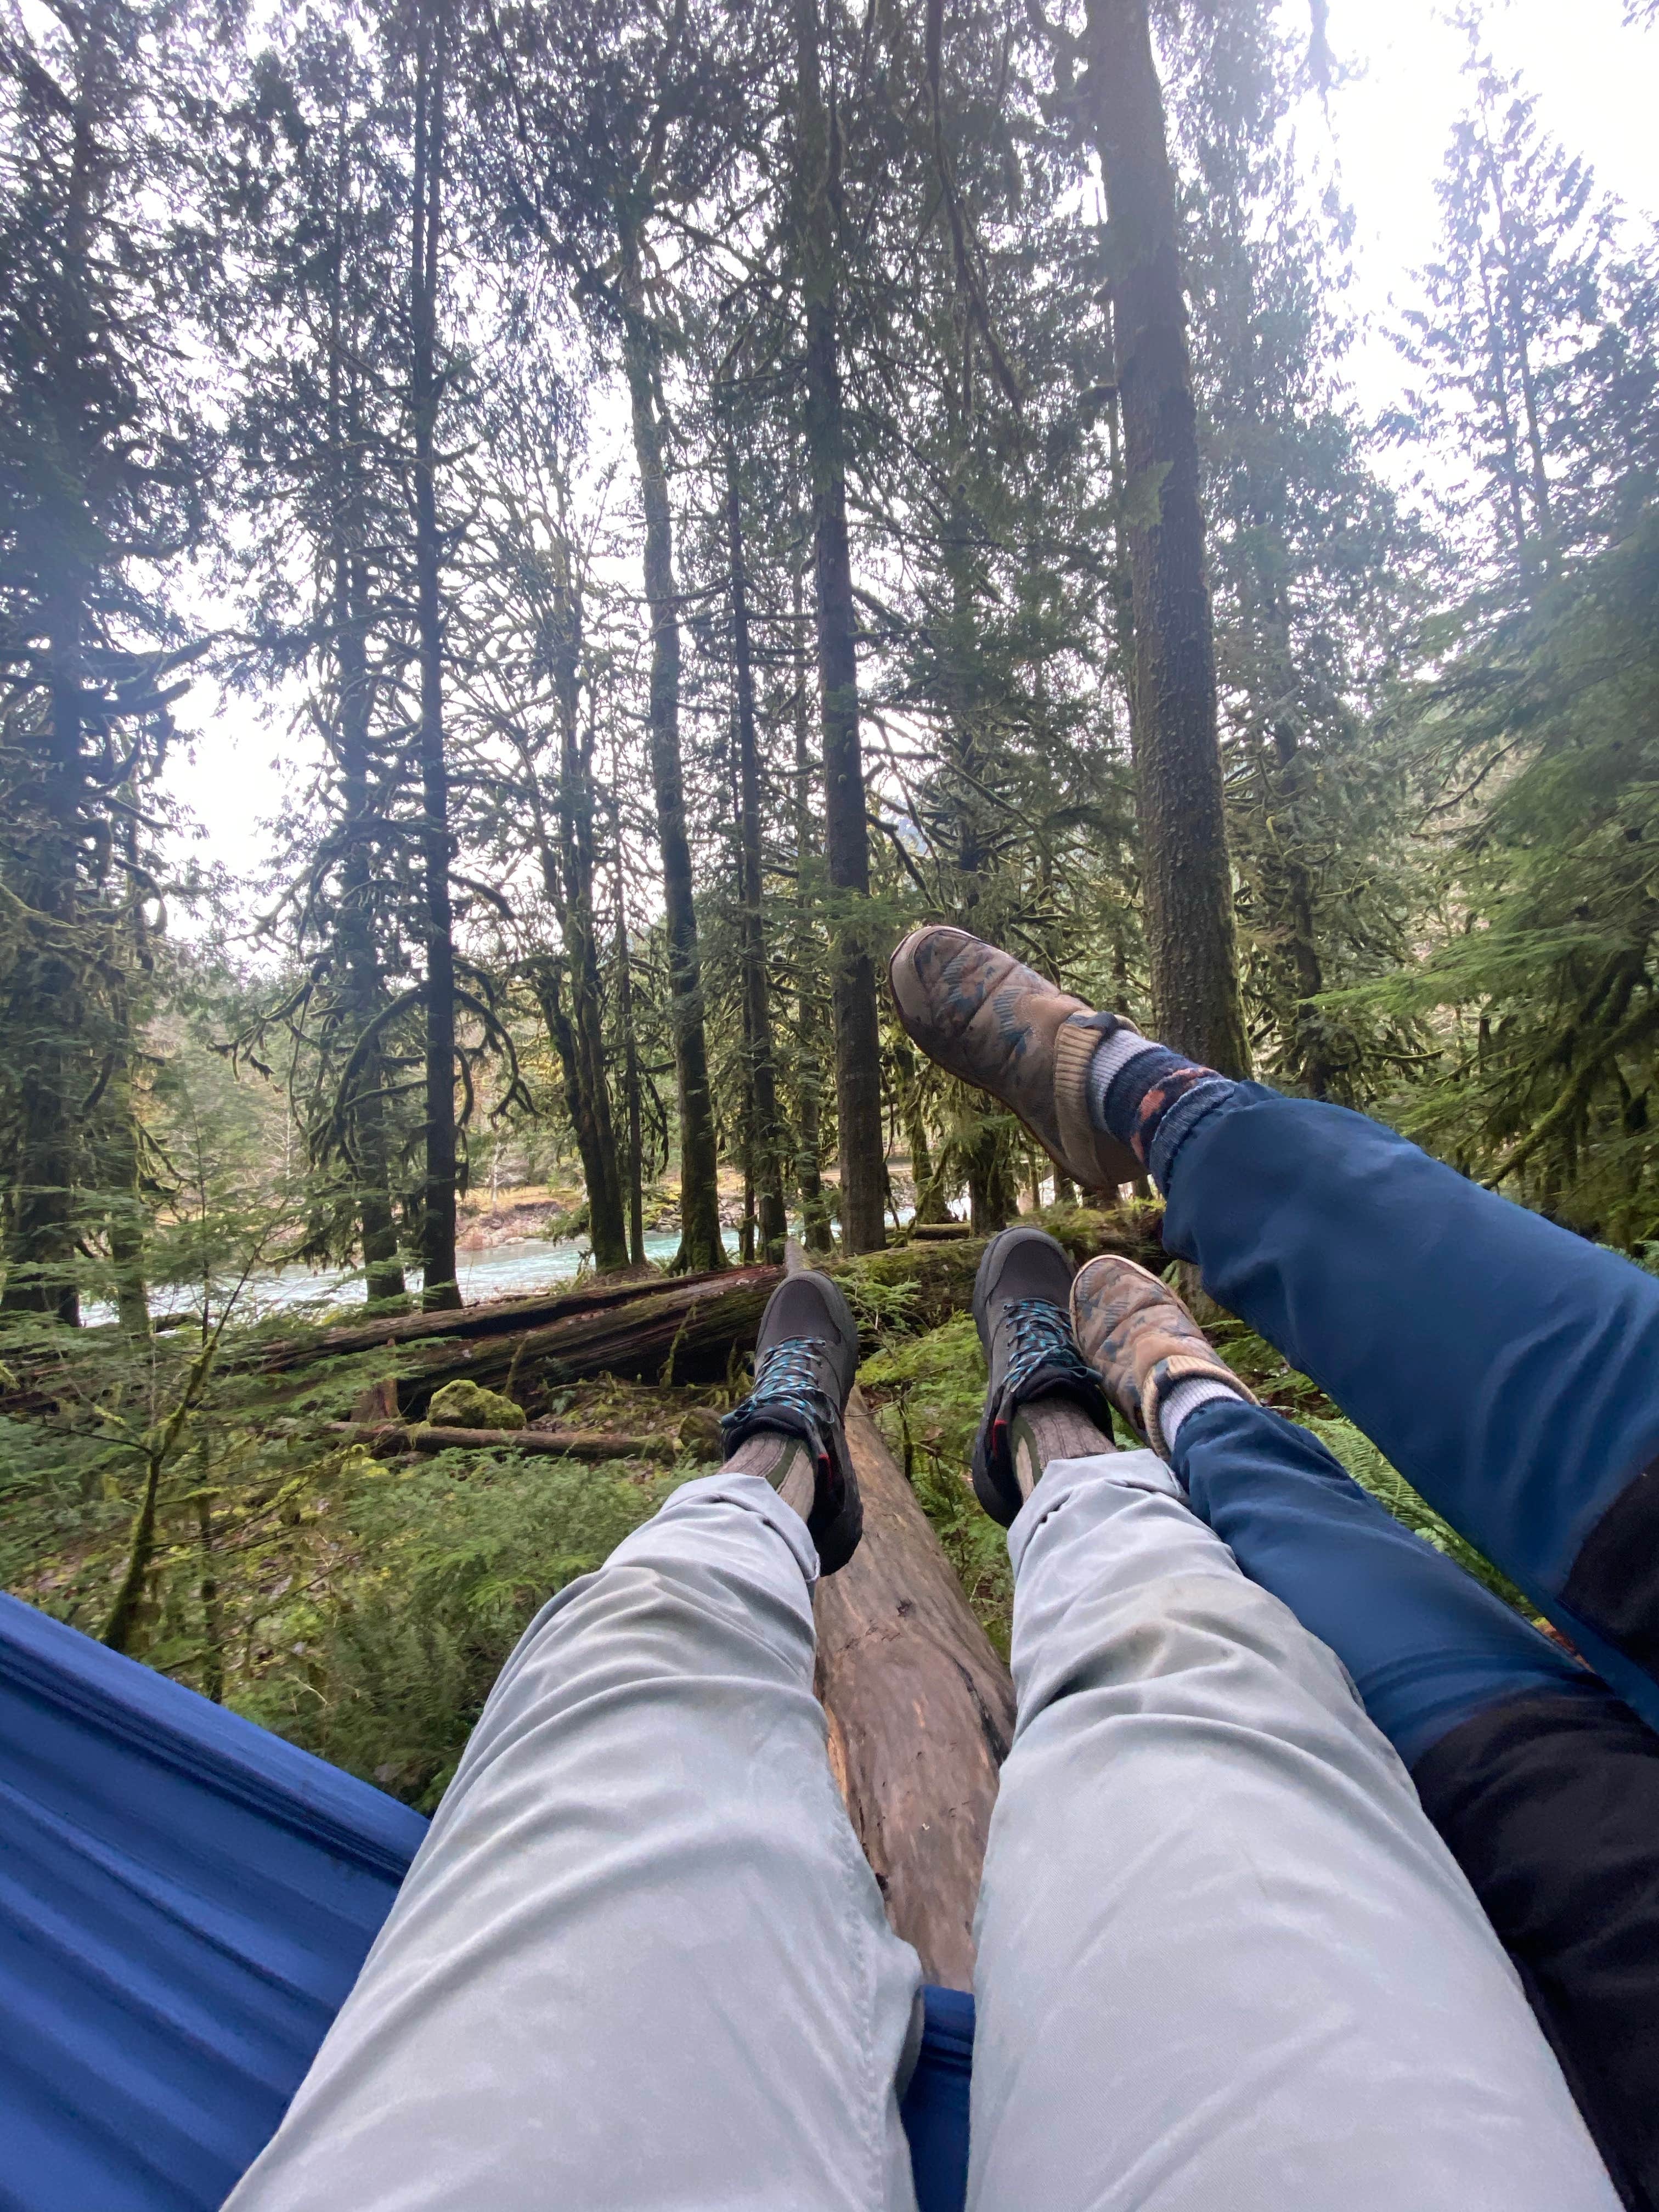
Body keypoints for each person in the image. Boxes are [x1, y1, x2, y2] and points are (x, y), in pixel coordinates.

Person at [223, 922, 1659, 2212]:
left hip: (1593, 1896)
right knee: (1223, 1618)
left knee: (631, 1659)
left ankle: (807, 1452)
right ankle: (1136, 1288)